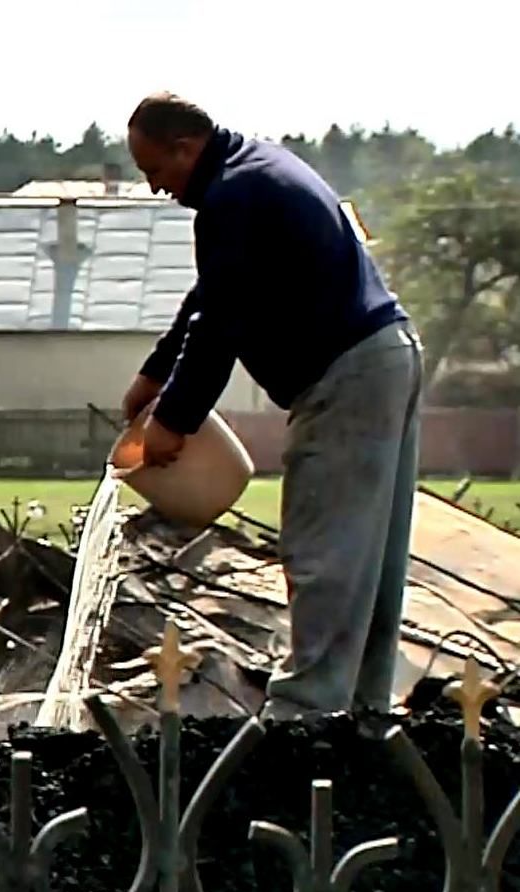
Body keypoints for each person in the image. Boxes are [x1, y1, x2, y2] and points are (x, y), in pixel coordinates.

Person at [121, 92, 422, 721]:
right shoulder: (254, 174)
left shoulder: (234, 196)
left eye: (154, 170)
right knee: (371, 555)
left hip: (347, 375)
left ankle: (305, 718)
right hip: (384, 357)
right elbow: (213, 294)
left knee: (326, 548)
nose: (155, 188)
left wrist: (172, 421)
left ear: (186, 146)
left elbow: (221, 323)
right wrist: (155, 373)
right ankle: (365, 712)